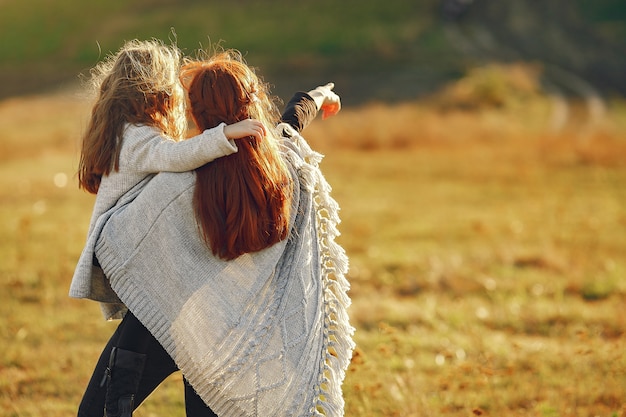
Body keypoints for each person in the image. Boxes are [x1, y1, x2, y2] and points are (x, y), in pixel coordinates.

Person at [72, 49, 354, 417]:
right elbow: (290, 122)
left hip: (154, 320)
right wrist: (317, 96)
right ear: (253, 104)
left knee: (97, 411)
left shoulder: (172, 185)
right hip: (221, 326)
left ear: (194, 112)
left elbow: (115, 241)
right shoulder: (277, 161)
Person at [71, 39, 266, 321]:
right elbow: (175, 156)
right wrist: (225, 134)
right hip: (124, 248)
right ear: (156, 91)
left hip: (126, 244)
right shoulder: (136, 137)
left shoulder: (124, 131)